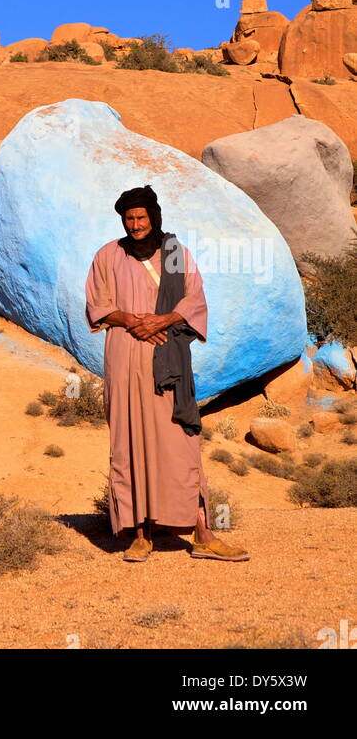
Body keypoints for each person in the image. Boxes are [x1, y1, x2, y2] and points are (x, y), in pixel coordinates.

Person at [84, 184, 250, 563]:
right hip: (126, 358)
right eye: (129, 218)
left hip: (168, 359)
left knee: (181, 441)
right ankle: (141, 535)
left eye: (142, 217)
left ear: (154, 217)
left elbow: (194, 297)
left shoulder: (174, 253)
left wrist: (163, 319)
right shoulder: (109, 255)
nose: (136, 224)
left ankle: (203, 533)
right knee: (131, 441)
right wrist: (131, 321)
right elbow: (97, 304)